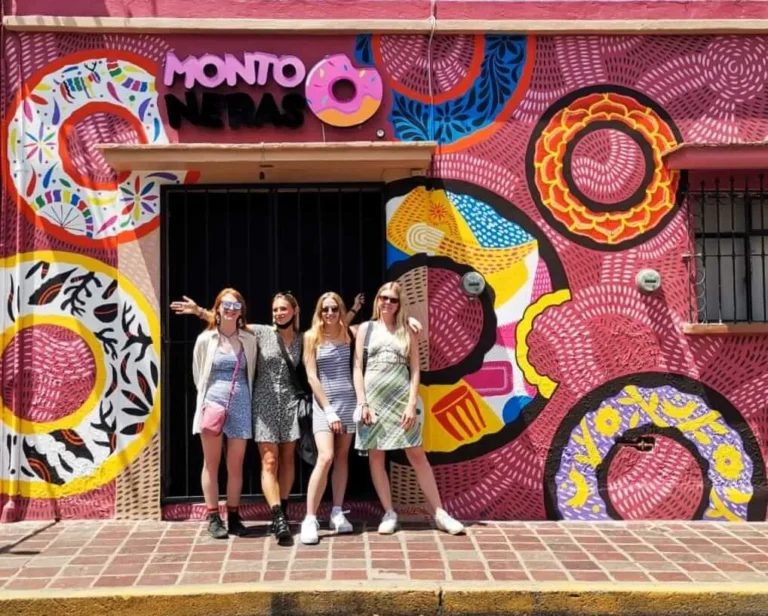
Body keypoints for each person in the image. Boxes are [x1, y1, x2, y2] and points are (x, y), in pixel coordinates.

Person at [172, 291, 364, 545]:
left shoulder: (303, 339)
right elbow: (229, 321)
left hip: (289, 404)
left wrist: (367, 314)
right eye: (275, 309)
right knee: (269, 460)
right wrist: (199, 311)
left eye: (283, 309)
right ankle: (277, 516)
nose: (278, 313)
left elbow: (343, 328)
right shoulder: (260, 333)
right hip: (262, 403)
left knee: (287, 460)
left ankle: (282, 508)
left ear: (294, 311)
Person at [353, 282, 465, 536]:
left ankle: (439, 513)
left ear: (399, 303)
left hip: (402, 400)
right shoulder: (366, 329)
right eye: (383, 298)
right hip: (373, 402)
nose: (387, 303)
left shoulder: (407, 330)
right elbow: (357, 368)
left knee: (416, 454)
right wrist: (362, 403)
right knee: (377, 455)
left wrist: (412, 403)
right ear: (377, 300)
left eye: (392, 299)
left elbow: (415, 368)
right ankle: (389, 512)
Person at [190, 288, 258, 539]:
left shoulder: (248, 339)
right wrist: (207, 401)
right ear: (217, 308)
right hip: (213, 403)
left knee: (236, 464)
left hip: (241, 402)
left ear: (242, 310)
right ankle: (212, 516)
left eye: (236, 305)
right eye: (226, 305)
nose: (231, 309)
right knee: (211, 463)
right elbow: (199, 374)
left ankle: (234, 513)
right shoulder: (205, 339)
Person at [299, 293, 359, 544]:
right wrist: (328, 409)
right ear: (319, 312)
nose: (330, 313)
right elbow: (312, 377)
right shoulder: (311, 337)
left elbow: (378, 324)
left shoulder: (349, 333)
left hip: (349, 402)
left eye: (335, 309)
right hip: (326, 406)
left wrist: (411, 322)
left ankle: (337, 511)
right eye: (325, 309)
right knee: (326, 456)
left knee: (342, 457)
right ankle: (310, 518)